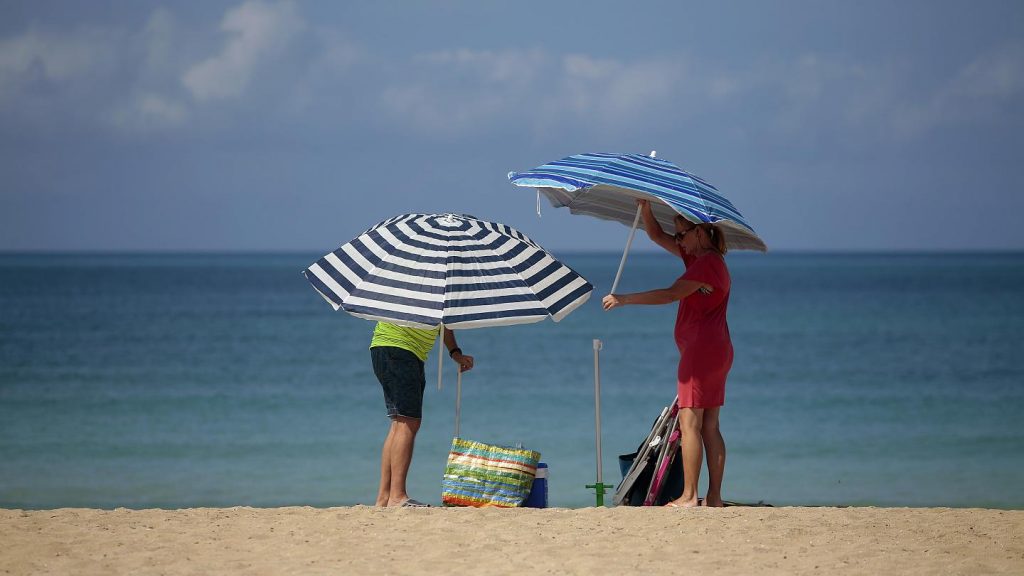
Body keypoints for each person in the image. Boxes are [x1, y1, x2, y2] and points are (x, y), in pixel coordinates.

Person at [602, 199, 733, 508]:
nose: (678, 241)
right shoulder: (702, 259)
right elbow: (657, 236)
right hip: (715, 349)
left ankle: (689, 496)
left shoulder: (707, 264)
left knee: (690, 423)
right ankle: (713, 497)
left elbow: (671, 294)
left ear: (699, 232)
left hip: (701, 352)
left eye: (682, 235)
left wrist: (624, 299)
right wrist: (646, 209)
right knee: (710, 425)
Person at [369, 321, 473, 507]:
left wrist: (454, 352)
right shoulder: (436, 297)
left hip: (384, 346)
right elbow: (445, 319)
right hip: (402, 349)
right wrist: (455, 353)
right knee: (408, 422)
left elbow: (444, 322)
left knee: (399, 422)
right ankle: (397, 496)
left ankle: (384, 498)